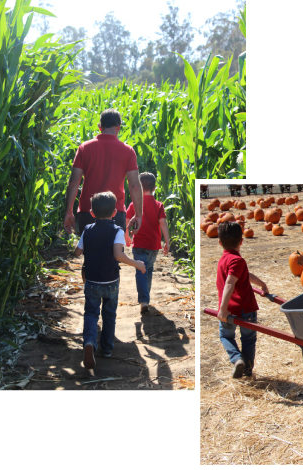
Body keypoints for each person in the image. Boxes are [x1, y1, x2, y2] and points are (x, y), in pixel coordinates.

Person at [74, 192, 146, 369]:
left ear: (91, 212)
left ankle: (89, 342)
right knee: (109, 314)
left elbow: (77, 252)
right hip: (110, 280)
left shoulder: (88, 230)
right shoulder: (117, 231)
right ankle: (106, 349)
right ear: (115, 212)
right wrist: (136, 263)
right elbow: (118, 254)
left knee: (91, 313)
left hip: (91, 280)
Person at [63, 108, 143, 237]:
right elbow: (134, 186)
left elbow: (73, 182)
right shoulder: (128, 151)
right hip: (115, 212)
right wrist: (138, 215)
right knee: (115, 254)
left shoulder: (84, 148)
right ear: (119, 127)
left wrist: (68, 212)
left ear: (100, 127)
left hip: (88, 212)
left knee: (91, 254)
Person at [216, 221, 268, 378]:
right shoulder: (238, 261)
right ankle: (245, 367)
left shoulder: (224, 261)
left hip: (229, 311)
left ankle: (237, 359)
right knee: (249, 339)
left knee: (226, 336)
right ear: (241, 241)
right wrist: (223, 309)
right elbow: (230, 283)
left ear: (219, 243)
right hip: (245, 309)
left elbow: (244, 275)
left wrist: (261, 284)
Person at [124, 172, 170, 313]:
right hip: (153, 245)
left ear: (137, 187)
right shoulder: (158, 205)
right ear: (155, 187)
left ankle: (144, 300)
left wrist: (126, 236)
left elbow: (125, 222)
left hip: (139, 245)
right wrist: (167, 242)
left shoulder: (133, 205)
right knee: (148, 270)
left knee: (141, 270)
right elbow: (163, 224)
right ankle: (146, 298)